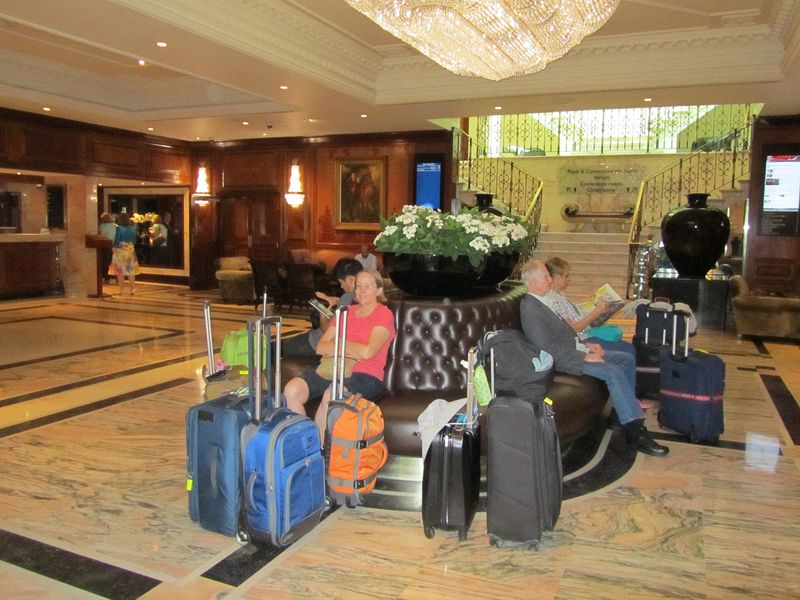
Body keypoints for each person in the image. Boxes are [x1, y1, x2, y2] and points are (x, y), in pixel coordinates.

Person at [519, 259, 668, 457]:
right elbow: (546, 348)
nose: (549, 280)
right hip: (563, 362)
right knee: (612, 371)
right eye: (546, 276)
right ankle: (636, 432)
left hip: (573, 351)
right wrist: (585, 356)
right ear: (533, 282)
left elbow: (565, 334)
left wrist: (586, 345)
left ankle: (622, 412)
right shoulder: (530, 308)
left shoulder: (544, 300)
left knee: (625, 359)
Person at [284, 270, 395, 439]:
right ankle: (304, 445)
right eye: (359, 286)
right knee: (291, 390)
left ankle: (319, 450)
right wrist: (351, 348)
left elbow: (368, 352)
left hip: (366, 375)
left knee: (332, 395)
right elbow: (321, 347)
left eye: (368, 286)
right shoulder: (345, 312)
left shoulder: (383, 314)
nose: (362, 290)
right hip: (333, 368)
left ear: (379, 290)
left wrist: (338, 342)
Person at [281, 258, 363, 358]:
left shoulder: (348, 296)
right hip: (339, 345)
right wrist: (337, 300)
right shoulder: (366, 297)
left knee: (277, 347)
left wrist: (322, 313)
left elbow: (327, 329)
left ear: (350, 279)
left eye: (341, 281)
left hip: (316, 343)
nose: (341, 286)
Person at [110, 212, 139, 295]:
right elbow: (134, 240)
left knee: (120, 271)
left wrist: (114, 247)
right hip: (130, 250)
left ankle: (121, 289)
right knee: (131, 271)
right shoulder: (132, 228)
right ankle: (132, 289)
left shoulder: (119, 228)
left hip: (120, 250)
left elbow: (117, 239)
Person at [98, 213, 117, 283]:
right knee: (109, 261)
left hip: (103, 245)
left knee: (104, 261)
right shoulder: (114, 226)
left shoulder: (101, 226)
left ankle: (103, 276)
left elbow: (100, 235)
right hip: (112, 245)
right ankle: (108, 276)